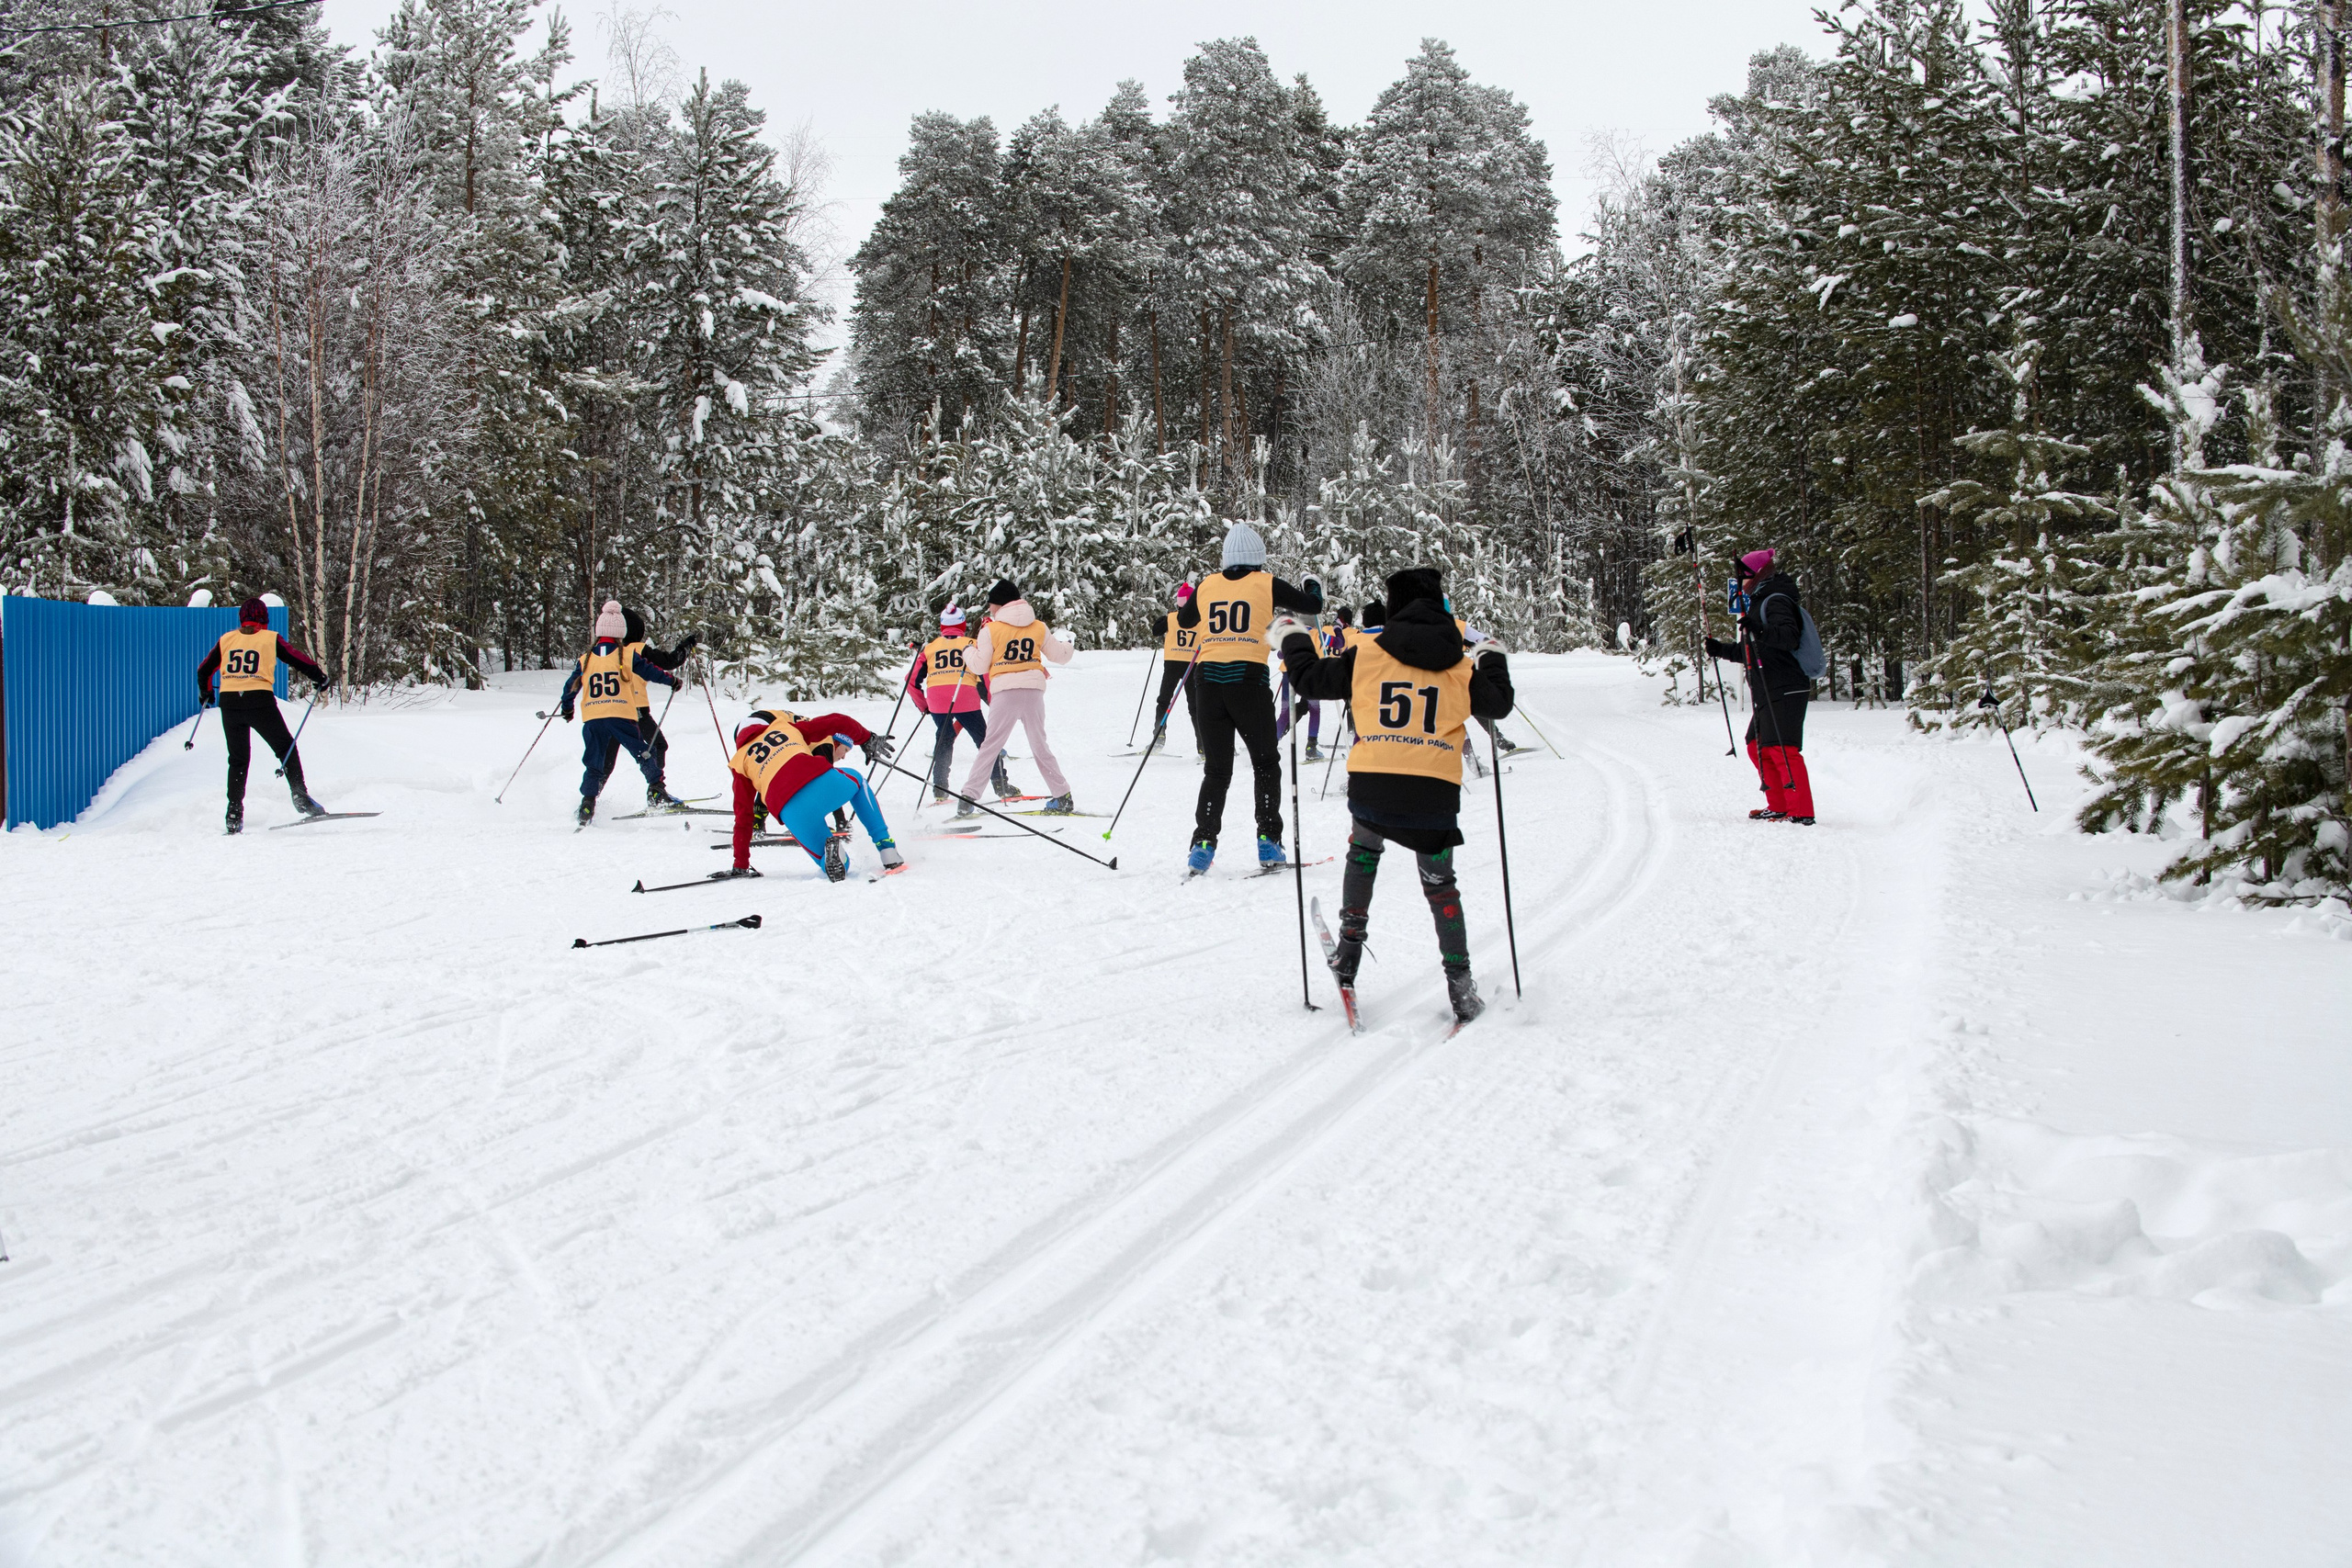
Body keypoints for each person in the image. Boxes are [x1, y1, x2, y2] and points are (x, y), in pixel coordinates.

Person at [1274, 566, 1513, 1026]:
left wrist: (1291, 636)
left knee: (1363, 852)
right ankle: (1461, 987)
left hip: (1373, 787)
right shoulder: (1461, 669)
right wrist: (1492, 656)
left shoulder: (1365, 655)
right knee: (1441, 885)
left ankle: (1348, 953)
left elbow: (1307, 680)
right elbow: (1499, 704)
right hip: (1434, 797)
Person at [1175, 522, 1324, 874]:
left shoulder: (1209, 584)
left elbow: (1184, 620)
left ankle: (1203, 844)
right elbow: (1311, 605)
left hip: (1207, 683)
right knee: (1265, 763)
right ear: (1258, 558)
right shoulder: (1265, 583)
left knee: (1216, 769)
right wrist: (1312, 584)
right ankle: (1269, 841)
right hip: (1247, 681)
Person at [196, 595, 334, 833]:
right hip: (259, 700)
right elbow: (296, 658)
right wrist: (319, 677)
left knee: (238, 759)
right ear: (264, 620)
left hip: (230, 702)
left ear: (242, 619)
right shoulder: (270, 639)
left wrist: (207, 693)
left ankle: (233, 813)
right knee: (285, 747)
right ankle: (300, 796)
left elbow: (204, 669)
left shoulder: (226, 639)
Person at [725, 708, 901, 882]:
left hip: (790, 811)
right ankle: (887, 849)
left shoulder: (739, 762)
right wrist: (867, 738)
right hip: (817, 781)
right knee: (858, 781)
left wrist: (740, 864)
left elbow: (743, 817)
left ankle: (835, 856)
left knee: (827, 861)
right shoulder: (785, 727)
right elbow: (839, 721)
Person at [1706, 547, 1816, 825]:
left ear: (1755, 574)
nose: (1739, 581)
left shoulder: (1776, 599)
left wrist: (1758, 627)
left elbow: (1788, 638)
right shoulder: (1760, 600)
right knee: (1758, 744)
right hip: (1770, 686)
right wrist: (1721, 649)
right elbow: (1755, 649)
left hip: (1786, 684)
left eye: (1742, 575)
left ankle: (1801, 810)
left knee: (1782, 748)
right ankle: (1779, 804)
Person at [956, 579, 1077, 816]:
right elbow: (1060, 656)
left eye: (991, 604)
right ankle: (1062, 796)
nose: (989, 609)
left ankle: (968, 799)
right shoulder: (1038, 626)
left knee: (990, 746)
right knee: (1040, 745)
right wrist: (1069, 645)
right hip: (1033, 692)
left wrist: (967, 651)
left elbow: (980, 666)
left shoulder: (990, 629)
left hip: (1005, 693)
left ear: (1000, 605)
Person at [559, 599, 682, 827]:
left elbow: (571, 686)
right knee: (642, 753)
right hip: (620, 715)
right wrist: (672, 680)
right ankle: (657, 790)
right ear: (620, 633)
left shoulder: (585, 659)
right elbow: (651, 671)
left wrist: (567, 708)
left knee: (594, 762)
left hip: (593, 718)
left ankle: (588, 802)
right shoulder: (625, 655)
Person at [594, 605, 699, 809]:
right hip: (636, 711)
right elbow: (670, 662)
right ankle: (656, 795)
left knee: (606, 762)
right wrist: (686, 646)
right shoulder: (638, 649)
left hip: (611, 711)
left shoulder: (609, 652)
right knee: (658, 746)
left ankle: (590, 800)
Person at [907, 605, 1012, 804]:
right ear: (963, 625)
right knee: (985, 742)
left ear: (942, 626)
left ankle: (940, 789)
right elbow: (986, 677)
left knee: (944, 740)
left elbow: (911, 681)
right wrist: (992, 701)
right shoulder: (972, 644)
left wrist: (924, 705)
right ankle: (1001, 784)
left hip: (937, 701)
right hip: (966, 697)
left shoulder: (929, 648)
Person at [1148, 582, 1203, 754]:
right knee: (1195, 707)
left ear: (1179, 603)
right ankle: (1203, 747)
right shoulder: (1202, 621)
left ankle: (1159, 737)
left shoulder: (1171, 618)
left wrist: (1160, 620)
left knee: (1163, 701)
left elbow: (1155, 631)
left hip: (1172, 664)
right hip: (1192, 666)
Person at [1302, 604, 1354, 761]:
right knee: (1352, 702)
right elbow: (1340, 644)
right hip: (1333, 673)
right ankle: (1353, 734)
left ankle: (1311, 744)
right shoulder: (1346, 632)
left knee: (1308, 707)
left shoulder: (1323, 629)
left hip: (1319, 673)